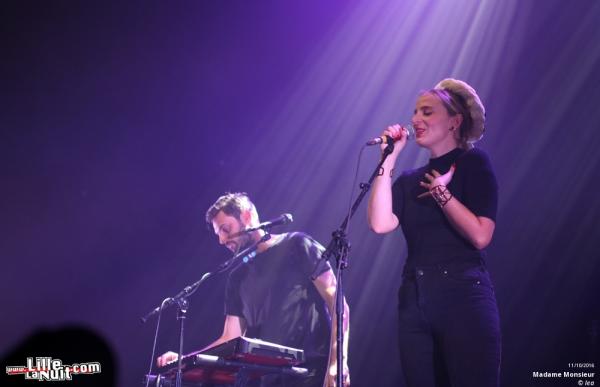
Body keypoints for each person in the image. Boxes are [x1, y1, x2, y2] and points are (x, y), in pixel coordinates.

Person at [367, 79, 501, 387]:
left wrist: (444, 196)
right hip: (415, 297)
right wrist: (388, 158)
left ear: (455, 121)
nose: (416, 120)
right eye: (415, 112)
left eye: (427, 112)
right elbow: (379, 223)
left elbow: (481, 236)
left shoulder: (473, 162)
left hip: (463, 293)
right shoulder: (409, 180)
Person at [158, 192, 350, 387]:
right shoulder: (237, 276)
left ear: (247, 216)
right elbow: (229, 338)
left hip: (312, 375)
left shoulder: (297, 245)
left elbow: (338, 305)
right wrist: (184, 359)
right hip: (266, 379)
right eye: (218, 234)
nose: (222, 240)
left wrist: (337, 364)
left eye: (226, 229)